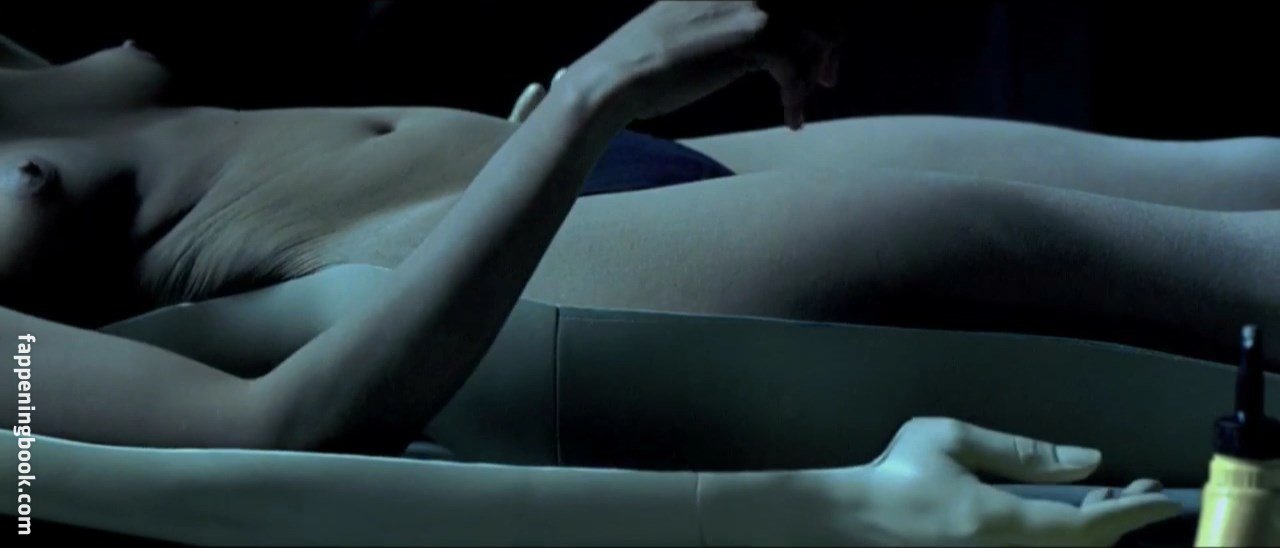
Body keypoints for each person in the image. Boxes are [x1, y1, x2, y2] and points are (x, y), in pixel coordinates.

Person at [0, 1, 1271, 543]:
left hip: (563, 157)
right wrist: (594, 94)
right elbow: (268, 430)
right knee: (1235, 274)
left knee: (1244, 177)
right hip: (549, 270)